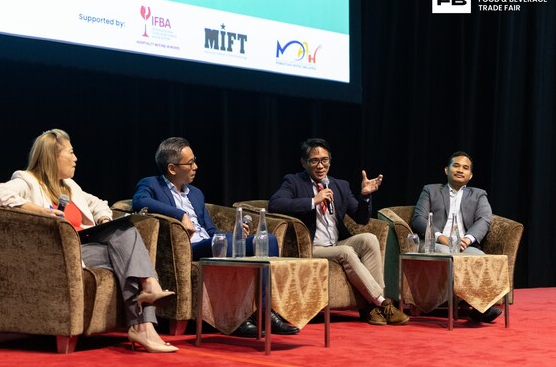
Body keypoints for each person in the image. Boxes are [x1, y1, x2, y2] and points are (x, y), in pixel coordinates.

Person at [0, 129, 178, 353]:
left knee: (126, 237)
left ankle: (145, 321)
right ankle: (146, 309)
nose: (76, 158)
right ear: (52, 156)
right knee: (131, 255)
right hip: (60, 252)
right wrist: (41, 211)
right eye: (71, 152)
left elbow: (98, 204)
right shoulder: (27, 180)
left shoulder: (69, 186)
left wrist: (105, 219)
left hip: (86, 246)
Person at [132, 137, 299, 336]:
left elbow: (211, 231)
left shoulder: (196, 193)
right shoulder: (151, 184)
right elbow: (139, 201)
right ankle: (237, 317)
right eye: (190, 162)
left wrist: (234, 236)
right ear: (172, 168)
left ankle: (265, 310)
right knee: (226, 243)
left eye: (195, 160)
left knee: (267, 240)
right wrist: (180, 215)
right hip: (188, 248)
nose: (196, 166)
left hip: (208, 242)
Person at [269, 138, 409, 326]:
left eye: (325, 160)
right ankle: (383, 304)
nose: (321, 165)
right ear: (304, 162)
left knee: (369, 238)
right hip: (313, 246)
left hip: (335, 242)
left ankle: (372, 308)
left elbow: (362, 219)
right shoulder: (293, 181)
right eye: (314, 160)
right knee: (346, 252)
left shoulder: (339, 185)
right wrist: (313, 201)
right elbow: (275, 203)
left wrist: (365, 196)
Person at [411, 150, 502, 323]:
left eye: (465, 168)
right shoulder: (430, 190)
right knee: (448, 255)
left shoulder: (478, 194)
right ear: (447, 170)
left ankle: (480, 308)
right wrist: (439, 236)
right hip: (436, 243)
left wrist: (467, 239)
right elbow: (419, 219)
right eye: (456, 165)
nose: (461, 170)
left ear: (470, 175)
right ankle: (439, 304)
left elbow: (484, 219)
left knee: (480, 257)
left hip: (465, 244)